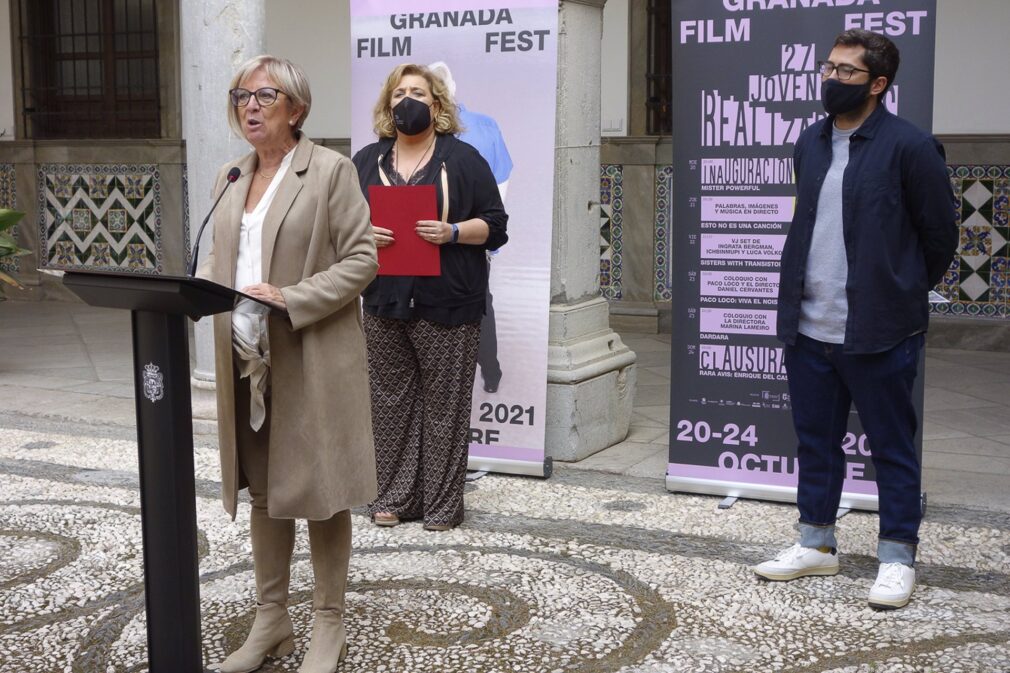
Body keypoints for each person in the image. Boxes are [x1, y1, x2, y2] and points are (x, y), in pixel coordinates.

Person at [752, 30, 958, 610]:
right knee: (816, 442)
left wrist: (900, 291)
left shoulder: (911, 147)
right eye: (828, 67)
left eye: (846, 72)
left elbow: (940, 237)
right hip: (808, 326)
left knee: (892, 446)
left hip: (879, 330)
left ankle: (897, 556)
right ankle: (816, 544)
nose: (831, 79)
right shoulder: (810, 142)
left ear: (878, 85)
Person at [198, 55, 378, 673]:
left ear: (296, 108)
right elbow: (223, 258)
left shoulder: (330, 171)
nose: (250, 105)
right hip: (245, 356)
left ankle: (329, 623)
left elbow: (361, 260)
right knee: (264, 491)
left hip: (311, 352)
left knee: (323, 492)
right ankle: (271, 619)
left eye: (265, 95)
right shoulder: (230, 175)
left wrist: (293, 297)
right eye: (241, 95)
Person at [351, 63, 508, 531]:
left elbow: (496, 226)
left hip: (449, 303)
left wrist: (454, 230)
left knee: (444, 406)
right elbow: (338, 226)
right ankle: (395, 497)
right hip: (383, 299)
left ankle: (441, 504)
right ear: (387, 105)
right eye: (399, 93)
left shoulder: (463, 159)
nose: (407, 101)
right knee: (390, 402)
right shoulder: (365, 161)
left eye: (417, 92)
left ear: (436, 105)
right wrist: (362, 233)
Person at [428, 61, 513, 394]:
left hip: (460, 235)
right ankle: (490, 372)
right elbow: (503, 181)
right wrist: (491, 232)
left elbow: (501, 180)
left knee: (469, 304)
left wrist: (490, 231)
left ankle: (481, 372)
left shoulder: (471, 129)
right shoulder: (484, 125)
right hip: (469, 236)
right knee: (480, 304)